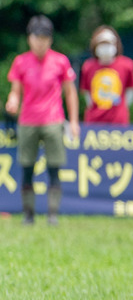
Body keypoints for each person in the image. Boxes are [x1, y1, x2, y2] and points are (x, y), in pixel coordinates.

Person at [6, 15, 80, 225]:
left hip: (53, 119)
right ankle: (28, 214)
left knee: (54, 167)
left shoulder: (60, 61)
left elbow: (70, 93)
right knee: (27, 167)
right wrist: (12, 101)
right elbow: (15, 91)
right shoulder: (21, 61)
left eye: (45, 38)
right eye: (37, 37)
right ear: (30, 38)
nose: (41, 42)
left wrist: (73, 121)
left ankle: (52, 214)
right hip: (28, 120)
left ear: (50, 39)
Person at [80, 25, 133, 125]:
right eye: (102, 43)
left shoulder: (127, 65)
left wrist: (122, 108)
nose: (105, 47)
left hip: (119, 122)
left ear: (115, 44)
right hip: (94, 122)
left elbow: (131, 91)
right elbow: (87, 93)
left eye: (108, 43)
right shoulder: (88, 66)